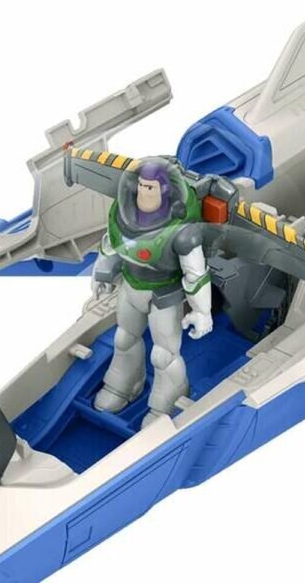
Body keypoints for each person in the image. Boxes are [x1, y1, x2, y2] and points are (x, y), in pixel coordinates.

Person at [91, 158, 213, 428]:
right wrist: (102, 273)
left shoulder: (181, 229)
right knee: (124, 338)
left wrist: (202, 311)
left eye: (150, 187)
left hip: (164, 295)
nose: (143, 192)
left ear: (165, 190)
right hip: (131, 286)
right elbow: (111, 247)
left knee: (164, 355)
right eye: (141, 185)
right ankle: (124, 383)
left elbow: (195, 273)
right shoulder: (123, 214)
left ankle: (167, 402)